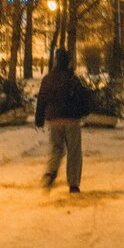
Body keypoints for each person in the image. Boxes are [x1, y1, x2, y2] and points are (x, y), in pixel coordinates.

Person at [34, 48, 92, 193]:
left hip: (54, 119)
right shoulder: (72, 79)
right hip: (71, 119)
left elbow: (42, 99)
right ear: (68, 62)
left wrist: (39, 118)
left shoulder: (48, 79)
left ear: (56, 61)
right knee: (74, 151)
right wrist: (83, 113)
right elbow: (82, 98)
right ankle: (73, 184)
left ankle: (51, 172)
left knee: (56, 148)